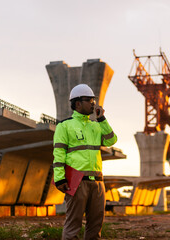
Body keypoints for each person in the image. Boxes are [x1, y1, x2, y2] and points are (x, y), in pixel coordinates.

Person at [53, 84, 117, 240]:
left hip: (98, 182)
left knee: (95, 226)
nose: (93, 103)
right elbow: (59, 153)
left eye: (93, 100)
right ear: (78, 103)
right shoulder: (64, 126)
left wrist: (102, 119)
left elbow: (111, 140)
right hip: (77, 182)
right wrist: (59, 178)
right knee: (73, 225)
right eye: (89, 100)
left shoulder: (96, 126)